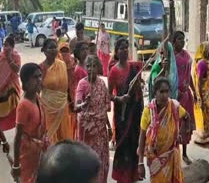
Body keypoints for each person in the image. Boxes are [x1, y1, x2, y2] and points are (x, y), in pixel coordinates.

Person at [108, 38, 143, 183]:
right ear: (116, 51)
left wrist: (136, 93)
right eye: (121, 48)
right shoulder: (114, 71)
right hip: (122, 115)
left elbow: (139, 93)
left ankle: (133, 176)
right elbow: (109, 95)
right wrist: (120, 99)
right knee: (123, 145)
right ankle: (121, 177)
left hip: (134, 113)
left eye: (126, 48)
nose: (124, 50)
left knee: (134, 143)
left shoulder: (134, 68)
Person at [138, 77, 187, 183]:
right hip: (154, 158)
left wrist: (181, 132)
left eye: (167, 91)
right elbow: (142, 139)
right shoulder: (148, 111)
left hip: (171, 155)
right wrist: (140, 163)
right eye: (161, 91)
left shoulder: (174, 107)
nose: (164, 95)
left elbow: (187, 117)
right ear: (155, 92)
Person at [75, 55, 111, 183]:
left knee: (102, 161)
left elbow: (103, 109)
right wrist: (84, 104)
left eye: (93, 66)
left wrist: (109, 126)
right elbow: (76, 107)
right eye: (88, 66)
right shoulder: (82, 84)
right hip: (88, 131)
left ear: (98, 67)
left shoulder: (101, 83)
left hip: (101, 130)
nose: (90, 69)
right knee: (90, 161)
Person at [12, 63, 48, 183]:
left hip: (39, 152)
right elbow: (18, 137)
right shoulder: (24, 105)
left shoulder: (37, 97)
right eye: (35, 77)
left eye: (40, 76)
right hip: (28, 156)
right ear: (26, 82)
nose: (39, 80)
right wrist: (16, 165)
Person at [39, 39, 72, 144]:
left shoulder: (62, 65)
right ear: (44, 50)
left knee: (64, 135)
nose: (53, 50)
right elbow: (37, 90)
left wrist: (71, 102)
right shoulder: (41, 68)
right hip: (48, 107)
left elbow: (66, 87)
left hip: (63, 106)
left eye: (55, 47)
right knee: (50, 135)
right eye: (50, 48)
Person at [172, 31, 196, 164]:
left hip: (186, 96)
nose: (182, 41)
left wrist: (194, 91)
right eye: (179, 39)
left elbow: (189, 75)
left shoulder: (186, 55)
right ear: (174, 41)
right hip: (176, 96)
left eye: (183, 39)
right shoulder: (171, 57)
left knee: (186, 123)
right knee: (175, 125)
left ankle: (185, 154)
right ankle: (174, 154)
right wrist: (175, 91)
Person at [0, 36, 21, 131]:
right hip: (1, 89)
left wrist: (10, 58)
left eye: (7, 45)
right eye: (3, 45)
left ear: (12, 46)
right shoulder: (1, 55)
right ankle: (1, 137)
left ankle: (20, 133)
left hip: (12, 88)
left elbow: (17, 69)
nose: (4, 47)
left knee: (16, 114)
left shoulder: (16, 56)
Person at [193, 41, 209, 145]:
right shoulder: (202, 63)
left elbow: (206, 78)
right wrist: (200, 96)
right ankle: (203, 137)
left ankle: (206, 136)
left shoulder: (205, 62)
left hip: (206, 92)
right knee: (207, 114)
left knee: (208, 114)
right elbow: (200, 80)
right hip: (202, 93)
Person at [58, 42, 77, 139]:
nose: (64, 54)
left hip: (75, 94)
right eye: (62, 51)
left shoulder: (74, 62)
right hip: (63, 98)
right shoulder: (57, 65)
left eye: (66, 51)